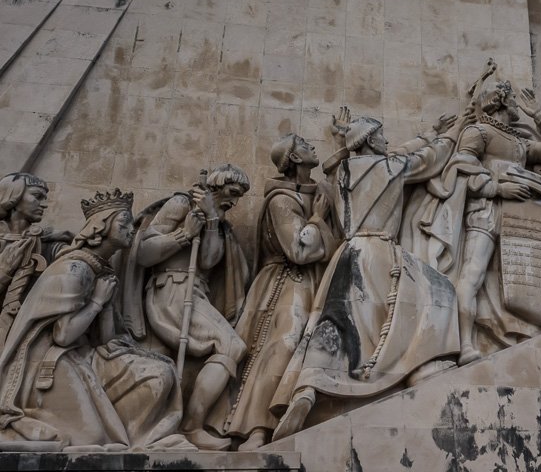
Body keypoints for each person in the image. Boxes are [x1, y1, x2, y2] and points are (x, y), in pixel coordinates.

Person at [270, 113, 464, 442]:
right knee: (439, 292)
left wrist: (342, 141)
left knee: (334, 320)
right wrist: (454, 129)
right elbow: (430, 158)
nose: (387, 141)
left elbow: (362, 156)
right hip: (380, 251)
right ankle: (420, 365)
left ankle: (307, 388)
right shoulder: (392, 167)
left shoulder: (340, 172)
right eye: (382, 136)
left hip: (348, 252)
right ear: (371, 140)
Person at [0, 189, 191, 451]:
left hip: (84, 354)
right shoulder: (74, 269)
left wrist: (115, 325)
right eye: (123, 223)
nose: (131, 230)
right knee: (91, 438)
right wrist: (97, 302)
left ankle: (145, 438)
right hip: (47, 365)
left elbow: (105, 338)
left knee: (160, 372)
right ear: (101, 227)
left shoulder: (101, 270)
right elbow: (63, 335)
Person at [446, 74, 541, 363]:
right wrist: (497, 187)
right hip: (487, 210)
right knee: (472, 273)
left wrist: (539, 115)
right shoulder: (478, 132)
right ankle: (465, 345)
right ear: (501, 99)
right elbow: (460, 169)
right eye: (514, 99)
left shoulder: (519, 142)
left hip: (523, 213)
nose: (518, 104)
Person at [210, 135, 335, 450]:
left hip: (315, 282)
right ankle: (255, 429)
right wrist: (318, 219)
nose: (313, 146)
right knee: (279, 348)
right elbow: (299, 250)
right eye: (304, 144)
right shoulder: (281, 200)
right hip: (284, 282)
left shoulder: (317, 193)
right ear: (294, 157)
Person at [131, 164, 252, 450]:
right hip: (171, 290)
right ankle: (193, 425)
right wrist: (184, 234)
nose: (234, 201)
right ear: (217, 185)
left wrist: (211, 220)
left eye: (239, 196)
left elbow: (208, 260)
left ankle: (192, 423)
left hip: (196, 292)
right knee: (231, 346)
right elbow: (143, 253)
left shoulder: (216, 219)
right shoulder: (181, 204)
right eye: (232, 192)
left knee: (232, 347)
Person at [0, 173, 72, 347]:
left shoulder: (48, 243)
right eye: (37, 196)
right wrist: (4, 271)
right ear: (14, 196)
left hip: (26, 335)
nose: (44, 204)